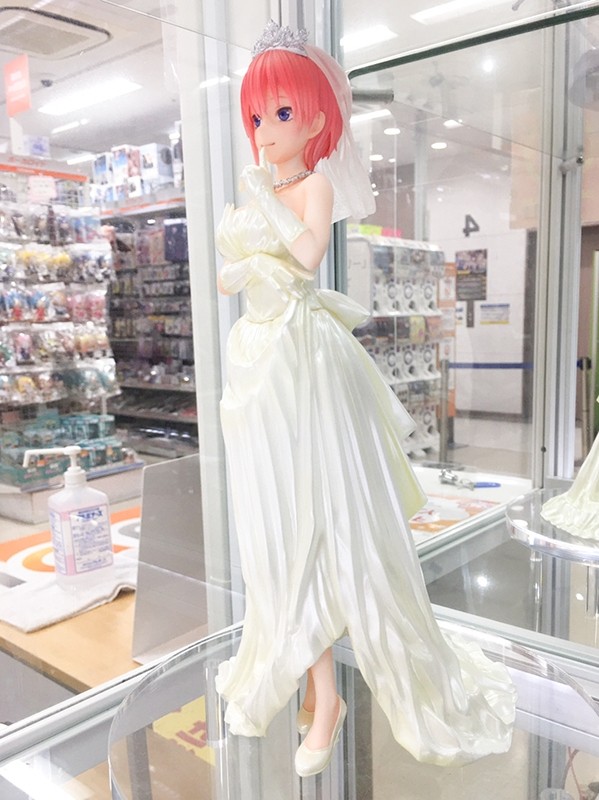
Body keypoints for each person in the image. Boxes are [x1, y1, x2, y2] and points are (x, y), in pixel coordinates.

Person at [215, 20, 516, 778]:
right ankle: (310, 681)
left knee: (321, 523)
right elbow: (235, 267)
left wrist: (262, 219)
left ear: (315, 118)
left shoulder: (308, 186)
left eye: (282, 112)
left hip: (302, 356)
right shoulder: (263, 187)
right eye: (256, 115)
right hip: (254, 361)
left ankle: (327, 700)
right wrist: (243, 257)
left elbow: (306, 255)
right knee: (275, 523)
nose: (266, 129)